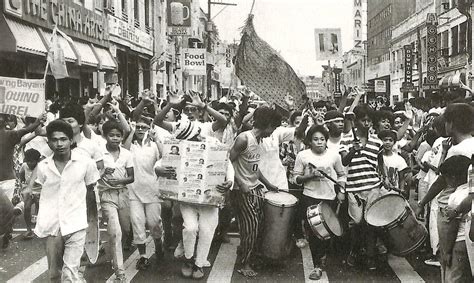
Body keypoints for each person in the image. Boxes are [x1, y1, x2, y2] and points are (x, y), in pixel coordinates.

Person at [33, 120, 99, 282]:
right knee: (54, 274)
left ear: (71, 141)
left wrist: (92, 219)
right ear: (49, 142)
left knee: (69, 274)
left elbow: (90, 191)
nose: (59, 144)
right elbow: (37, 192)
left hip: (76, 223)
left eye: (63, 139)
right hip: (51, 226)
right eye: (54, 140)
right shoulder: (43, 167)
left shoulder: (86, 164)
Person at [229, 106, 281, 277]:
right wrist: (240, 182)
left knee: (256, 225)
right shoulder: (244, 139)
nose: (272, 132)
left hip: (254, 188)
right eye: (273, 127)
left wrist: (268, 184)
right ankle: (244, 264)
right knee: (251, 227)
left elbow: (254, 168)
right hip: (241, 190)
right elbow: (227, 162)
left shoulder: (259, 141)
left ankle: (247, 254)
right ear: (267, 124)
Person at [292, 125, 346, 280]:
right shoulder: (302, 156)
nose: (319, 142)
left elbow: (342, 175)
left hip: (329, 197)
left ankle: (322, 259)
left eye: (322, 139)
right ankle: (317, 265)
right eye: (315, 139)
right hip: (310, 197)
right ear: (309, 141)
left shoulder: (334, 156)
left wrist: (341, 192)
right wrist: (308, 177)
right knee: (315, 232)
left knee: (328, 231)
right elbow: (295, 178)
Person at [339, 105, 383, 270]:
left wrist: (383, 178)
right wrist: (353, 150)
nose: (367, 123)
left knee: (371, 222)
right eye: (363, 120)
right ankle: (355, 251)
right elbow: (345, 161)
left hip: (373, 187)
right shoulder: (346, 140)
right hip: (354, 187)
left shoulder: (377, 141)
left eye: (369, 120)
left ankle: (370, 256)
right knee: (356, 222)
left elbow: (380, 162)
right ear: (355, 121)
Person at [0, 113, 46, 248]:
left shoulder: (10, 135)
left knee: (7, 211)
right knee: (8, 211)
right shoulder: (11, 135)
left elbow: (26, 131)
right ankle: (7, 231)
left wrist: (37, 122)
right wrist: (38, 121)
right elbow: (27, 130)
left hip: (8, 180)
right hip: (8, 179)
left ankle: (7, 232)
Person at [123, 118, 163, 270]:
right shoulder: (131, 146)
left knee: (154, 223)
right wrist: (132, 130)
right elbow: (124, 152)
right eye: (138, 127)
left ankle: (159, 244)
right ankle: (143, 256)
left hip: (153, 190)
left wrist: (156, 138)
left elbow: (164, 156)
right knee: (137, 222)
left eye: (143, 127)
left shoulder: (154, 146)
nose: (140, 129)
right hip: (133, 192)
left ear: (149, 128)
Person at [97, 120, 134, 282]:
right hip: (107, 196)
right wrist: (104, 172)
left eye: (118, 136)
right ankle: (120, 272)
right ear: (105, 136)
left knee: (125, 229)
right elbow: (92, 175)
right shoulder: (99, 153)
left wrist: (120, 181)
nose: (115, 138)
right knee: (115, 232)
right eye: (111, 135)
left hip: (124, 194)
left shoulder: (126, 154)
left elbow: (131, 177)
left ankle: (115, 252)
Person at [437, 155, 473, 282]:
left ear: (452, 177)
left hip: (459, 241)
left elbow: (450, 228)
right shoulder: (469, 193)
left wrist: (446, 251)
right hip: (469, 240)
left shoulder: (455, 197)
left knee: (453, 277)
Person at [19, 148, 42, 239]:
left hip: (41, 190)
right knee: (27, 207)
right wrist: (23, 187)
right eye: (28, 161)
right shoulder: (24, 166)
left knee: (39, 205)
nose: (29, 163)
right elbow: (21, 177)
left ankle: (39, 227)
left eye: (32, 161)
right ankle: (29, 229)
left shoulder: (41, 167)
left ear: (36, 161)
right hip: (29, 190)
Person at [377, 130, 409, 195]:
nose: (387, 142)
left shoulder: (399, 159)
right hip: (377, 194)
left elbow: (401, 178)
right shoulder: (375, 157)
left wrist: (401, 191)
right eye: (385, 140)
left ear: (394, 142)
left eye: (390, 140)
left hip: (393, 194)